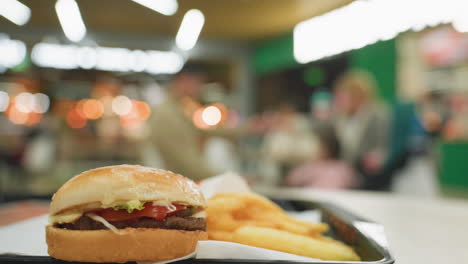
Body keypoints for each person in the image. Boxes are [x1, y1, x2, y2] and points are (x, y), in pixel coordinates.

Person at [150, 66, 248, 181]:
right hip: (177, 185)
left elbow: (207, 129)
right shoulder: (167, 115)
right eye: (198, 84)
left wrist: (247, 129)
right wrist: (228, 179)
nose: (199, 89)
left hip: (182, 182)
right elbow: (186, 163)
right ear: (184, 81)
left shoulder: (180, 110)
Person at [332, 70, 391, 189]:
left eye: (344, 96)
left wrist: (378, 156)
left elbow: (385, 147)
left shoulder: (377, 115)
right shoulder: (340, 119)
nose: (340, 100)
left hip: (369, 175)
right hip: (347, 174)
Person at [285, 125, 357, 189]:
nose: (318, 149)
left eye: (322, 147)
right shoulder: (310, 166)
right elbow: (290, 181)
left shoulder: (342, 168)